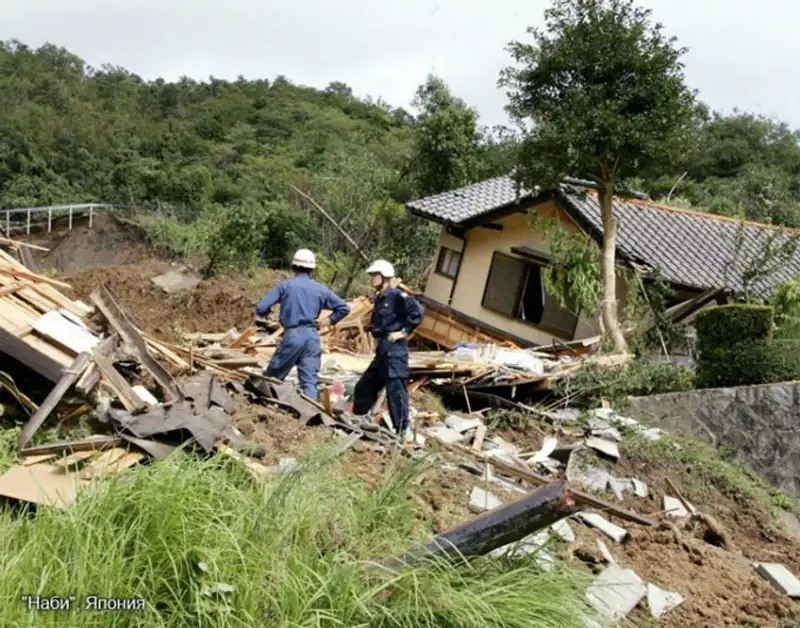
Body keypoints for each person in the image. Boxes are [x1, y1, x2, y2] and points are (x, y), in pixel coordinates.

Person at [255, 249, 350, 400]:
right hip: (312, 338)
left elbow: (261, 308)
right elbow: (344, 308)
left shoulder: (285, 286)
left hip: (293, 335)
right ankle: (310, 416)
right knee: (309, 382)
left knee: (272, 377)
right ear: (312, 269)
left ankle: (263, 408)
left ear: (293, 267)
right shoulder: (320, 289)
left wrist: (267, 316)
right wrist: (328, 321)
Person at [352, 259, 423, 438]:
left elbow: (417, 312)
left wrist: (403, 332)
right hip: (382, 349)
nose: (371, 278)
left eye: (374, 275)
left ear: (384, 277)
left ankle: (401, 431)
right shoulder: (380, 298)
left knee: (395, 391)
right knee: (364, 386)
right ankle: (359, 418)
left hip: (395, 350)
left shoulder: (396, 296)